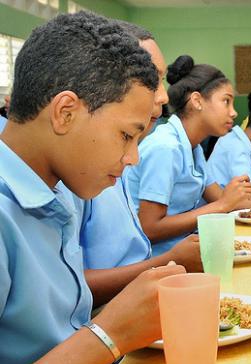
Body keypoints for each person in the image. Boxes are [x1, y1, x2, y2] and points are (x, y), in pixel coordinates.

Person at [0, 11, 185, 364]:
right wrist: (110, 333)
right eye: (126, 135)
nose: (133, 158)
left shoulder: (57, 190)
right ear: (65, 113)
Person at [62, 21, 202, 308]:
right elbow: (66, 290)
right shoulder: (79, 167)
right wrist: (165, 263)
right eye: (152, 79)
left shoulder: (122, 154)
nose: (163, 96)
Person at [124, 55, 251, 256]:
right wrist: (223, 205)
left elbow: (224, 200)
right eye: (226, 101)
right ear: (197, 101)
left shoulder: (193, 148)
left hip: (185, 250)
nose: (233, 113)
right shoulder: (166, 147)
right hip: (155, 261)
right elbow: (149, 227)